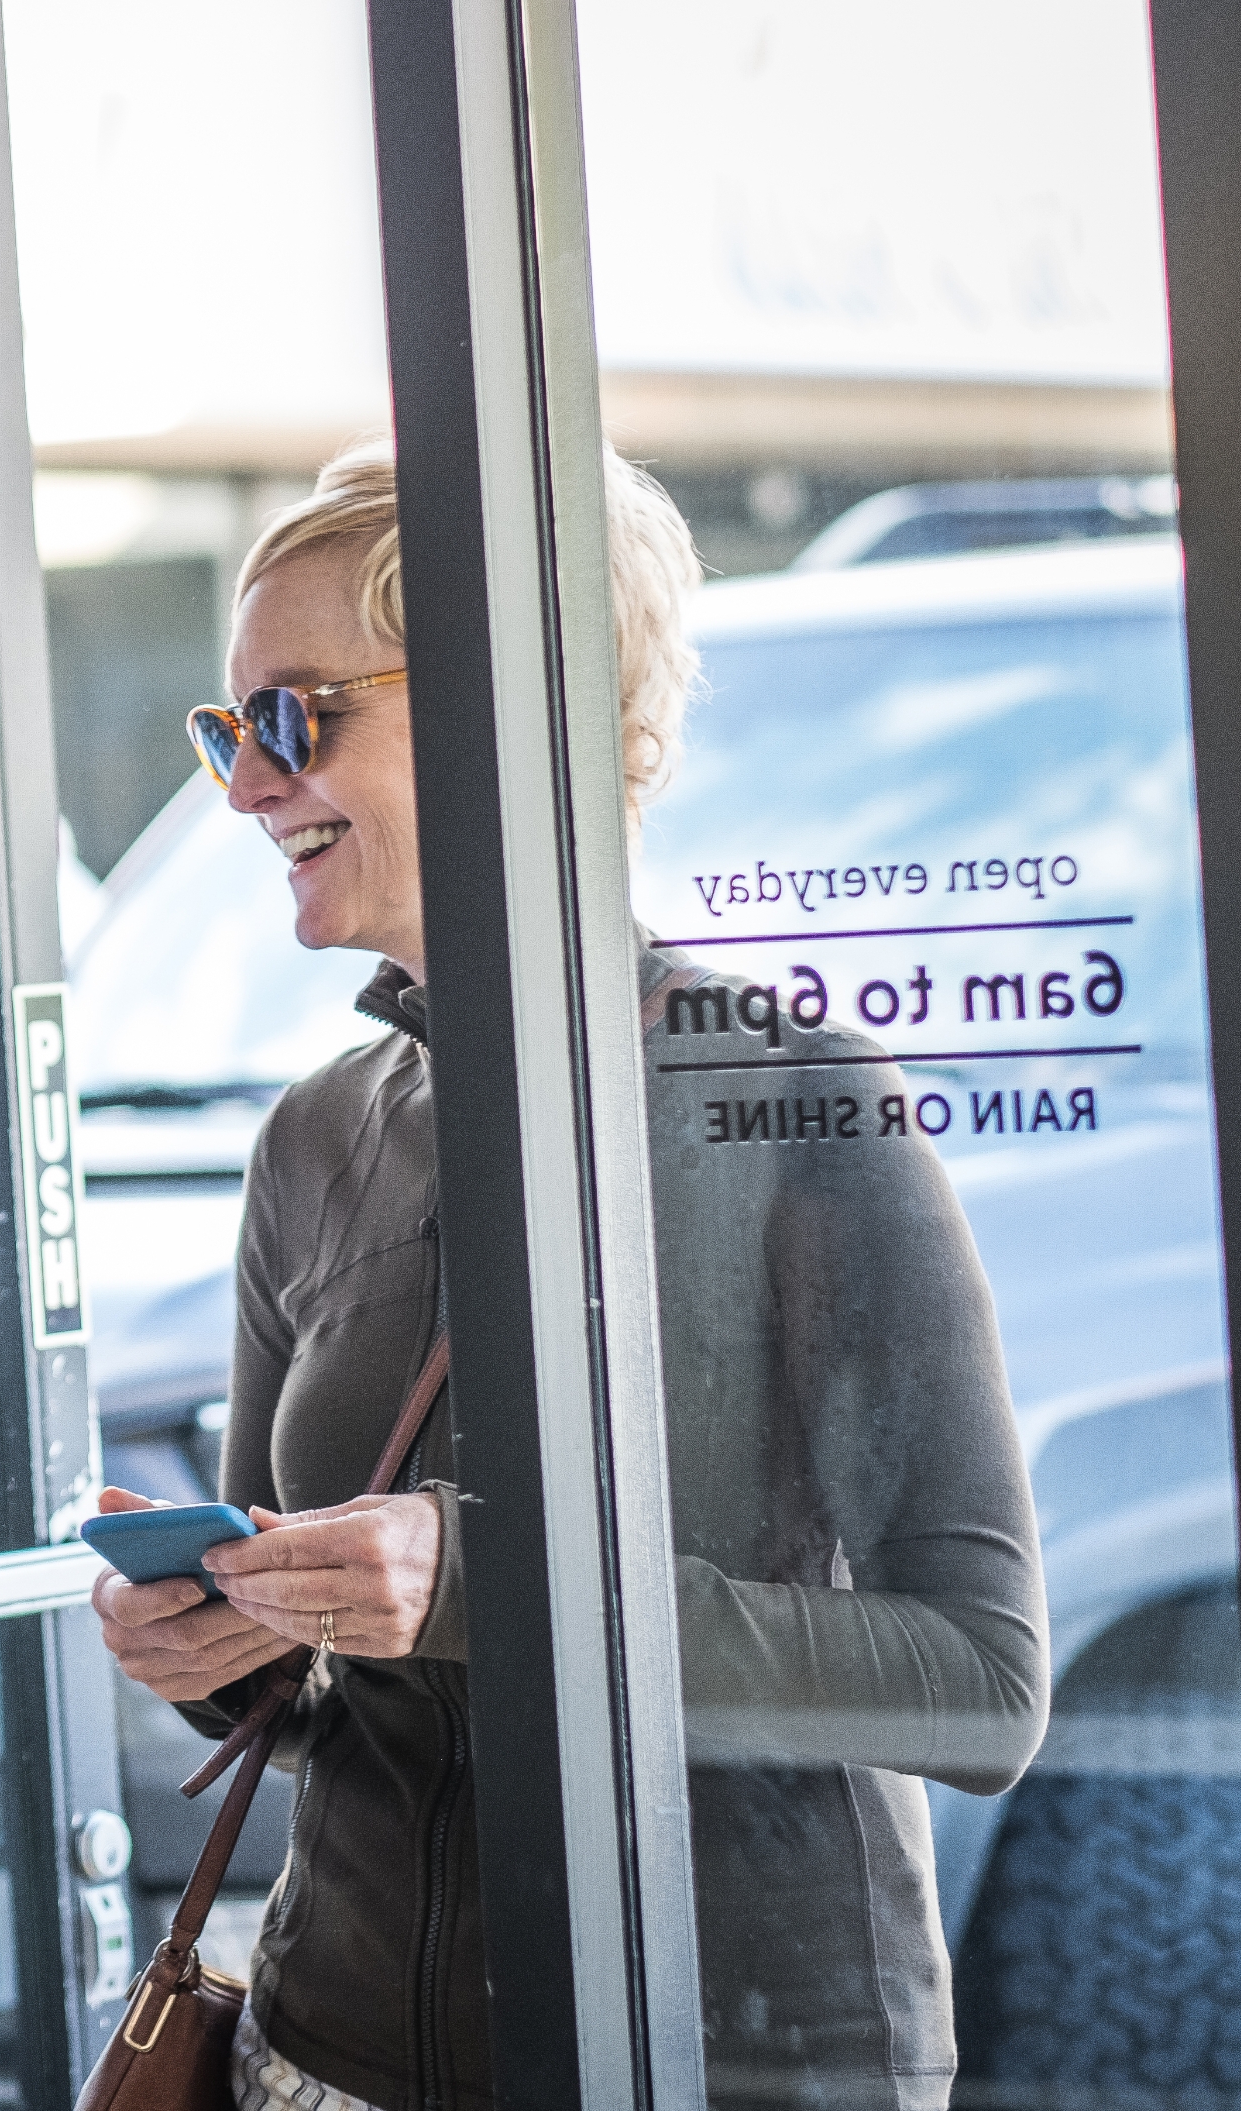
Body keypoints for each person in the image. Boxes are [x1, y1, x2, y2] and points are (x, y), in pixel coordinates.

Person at [90, 442, 1047, 2110]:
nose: (244, 786)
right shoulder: (313, 1144)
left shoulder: (793, 1101)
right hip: (335, 2061)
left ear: (504, 710)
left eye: (296, 718)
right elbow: (329, 1685)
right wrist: (222, 1649)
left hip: (732, 2060)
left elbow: (981, 1689)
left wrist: (480, 1582)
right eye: (225, 730)